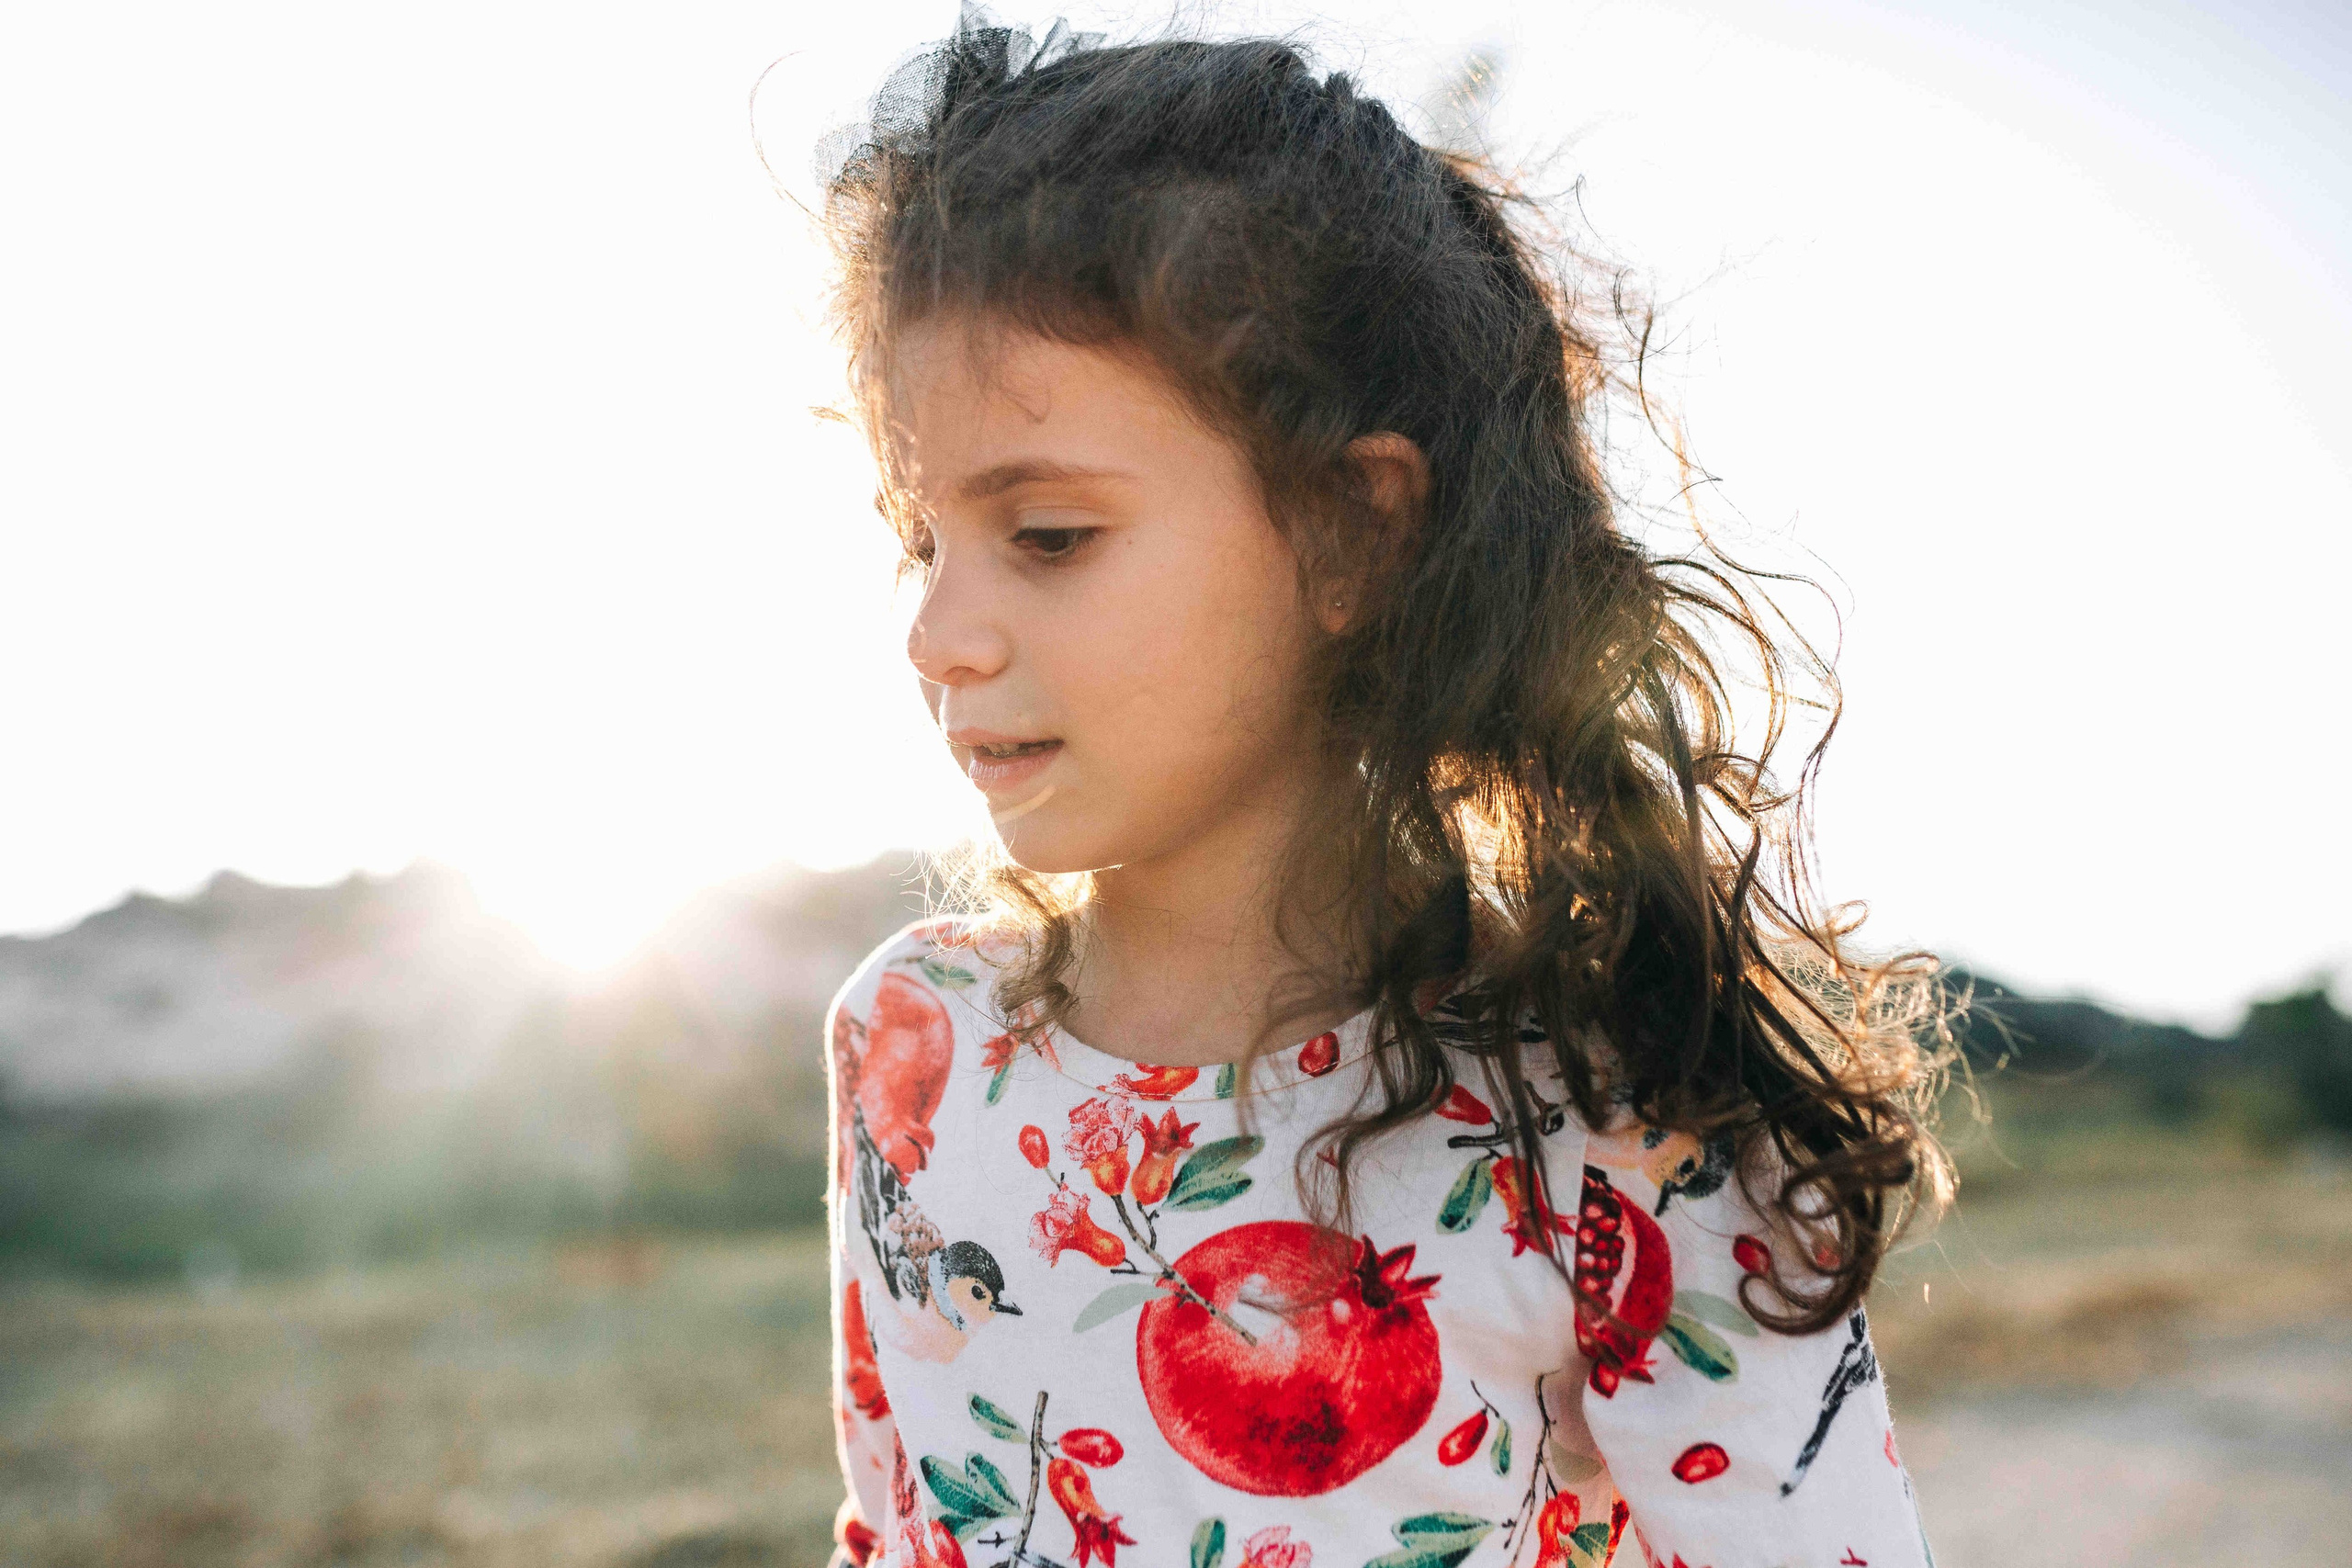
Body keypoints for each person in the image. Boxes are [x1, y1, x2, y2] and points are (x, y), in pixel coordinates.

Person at [812, 17, 1949, 1568]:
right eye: (918, 539)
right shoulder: (914, 1043)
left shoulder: (1612, 1119)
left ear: (1351, 531)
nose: (939, 635)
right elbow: (893, 1528)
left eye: (1053, 536)